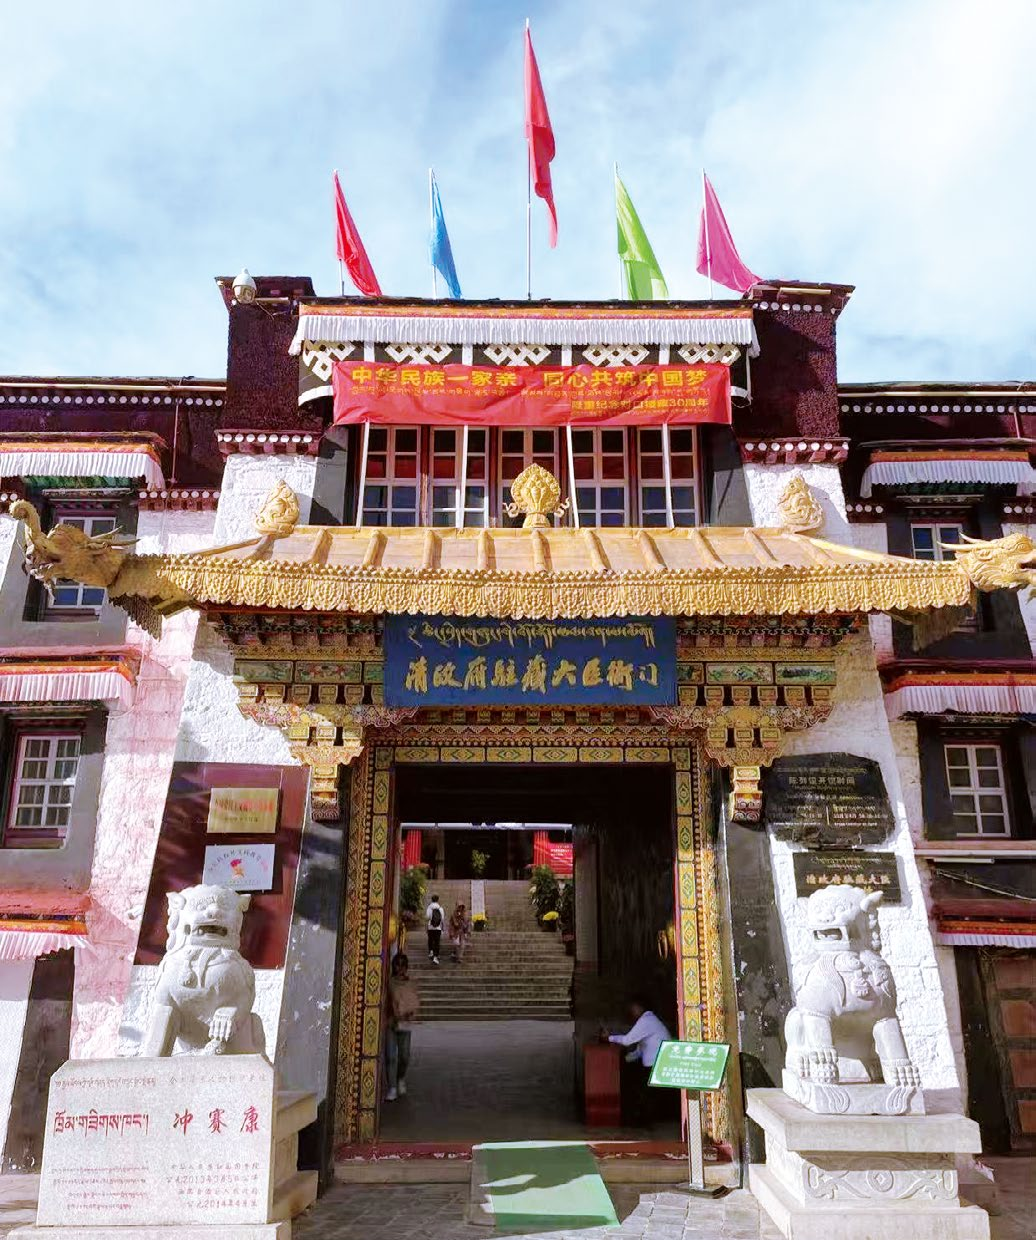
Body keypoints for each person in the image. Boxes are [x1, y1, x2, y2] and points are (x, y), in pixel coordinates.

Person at [606, 995, 673, 1124]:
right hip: (658, 1062)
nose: (632, 1011)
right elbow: (640, 1050)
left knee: (643, 1092)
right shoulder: (649, 1020)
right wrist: (626, 1059)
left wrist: (609, 1038)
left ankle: (643, 1121)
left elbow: (627, 1040)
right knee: (647, 1092)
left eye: (634, 1008)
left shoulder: (647, 1020)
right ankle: (644, 1119)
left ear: (640, 1007)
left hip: (657, 1063)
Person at [385, 953, 419, 1101]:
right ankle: (392, 1087)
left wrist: (410, 1012)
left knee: (404, 1056)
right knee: (390, 1057)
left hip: (405, 1023)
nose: (400, 968)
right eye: (397, 965)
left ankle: (400, 1078)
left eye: (402, 965)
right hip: (391, 1023)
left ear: (406, 967)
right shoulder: (389, 983)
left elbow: (414, 1001)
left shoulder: (410, 983)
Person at [426, 893, 445, 965]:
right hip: (438, 928)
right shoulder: (440, 908)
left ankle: (431, 951)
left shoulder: (429, 907)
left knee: (430, 940)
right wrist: (442, 927)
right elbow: (442, 919)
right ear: (438, 900)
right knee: (437, 942)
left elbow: (427, 917)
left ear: (432, 899)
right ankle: (435, 957)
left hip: (430, 927)